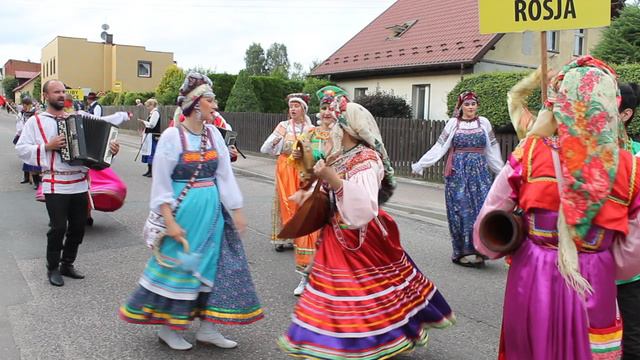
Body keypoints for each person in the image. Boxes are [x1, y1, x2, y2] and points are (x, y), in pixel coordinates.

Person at [474, 56, 640, 360]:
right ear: (611, 103)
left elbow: (487, 229)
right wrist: (600, 260)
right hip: (595, 277)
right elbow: (633, 254)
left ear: (560, 101)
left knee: (531, 346)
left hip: (534, 272)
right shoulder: (631, 168)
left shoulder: (529, 152)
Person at [279, 99, 455, 360]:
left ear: (348, 129)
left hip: (360, 237)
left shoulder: (367, 159)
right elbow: (330, 193)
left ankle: (367, 343)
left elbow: (362, 206)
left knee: (361, 292)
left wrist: (331, 178)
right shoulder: (339, 155)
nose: (333, 128)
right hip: (336, 235)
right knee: (336, 293)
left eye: (337, 124)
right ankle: (334, 344)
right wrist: (309, 194)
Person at [119, 72, 263, 351]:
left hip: (212, 215)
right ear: (196, 104)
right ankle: (168, 328)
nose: (216, 105)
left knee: (212, 267)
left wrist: (237, 209)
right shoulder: (173, 137)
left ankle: (207, 328)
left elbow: (225, 175)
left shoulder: (213, 135)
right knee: (179, 269)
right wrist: (170, 222)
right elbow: (161, 184)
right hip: (183, 214)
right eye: (211, 100)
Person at [15, 80, 120, 287]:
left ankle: (67, 264)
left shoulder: (78, 119)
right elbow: (21, 149)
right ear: (46, 96)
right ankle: (52, 268)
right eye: (57, 92)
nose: (62, 95)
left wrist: (111, 152)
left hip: (80, 183)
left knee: (78, 227)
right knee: (58, 228)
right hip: (55, 182)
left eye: (63, 91)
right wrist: (47, 146)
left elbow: (99, 154)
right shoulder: (35, 122)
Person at [411, 91, 503, 267]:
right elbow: (440, 147)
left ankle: (479, 251)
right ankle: (462, 253)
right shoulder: (453, 123)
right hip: (458, 172)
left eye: (473, 104)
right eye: (467, 104)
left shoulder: (484, 123)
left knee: (481, 210)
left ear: (477, 106)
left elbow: (492, 148)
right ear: (461, 107)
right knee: (461, 210)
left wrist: (503, 172)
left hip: (479, 173)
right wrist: (422, 164)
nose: (470, 107)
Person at [260, 93, 319, 295]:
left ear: (304, 109)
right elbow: (265, 148)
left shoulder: (311, 129)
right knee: (286, 202)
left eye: (296, 106)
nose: (292, 109)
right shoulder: (283, 126)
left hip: (303, 170)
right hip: (285, 168)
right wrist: (282, 146)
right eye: (290, 106)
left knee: (304, 207)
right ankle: (290, 237)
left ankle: (302, 240)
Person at [617, 82, 640, 359]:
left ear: (626, 114)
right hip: (591, 265)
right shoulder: (582, 153)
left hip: (630, 267)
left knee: (632, 336)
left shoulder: (636, 155)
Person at [14, 96, 41, 188]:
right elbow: (19, 126)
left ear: (29, 104)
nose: (24, 107)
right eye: (23, 105)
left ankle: (37, 182)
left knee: (34, 160)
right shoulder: (21, 113)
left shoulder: (35, 113)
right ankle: (26, 177)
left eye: (26, 105)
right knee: (25, 157)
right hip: (25, 136)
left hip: (34, 137)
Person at [139, 98, 161, 177]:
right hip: (149, 135)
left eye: (148, 106)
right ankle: (149, 170)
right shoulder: (152, 113)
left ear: (152, 105)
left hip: (153, 135)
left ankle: (152, 171)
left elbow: (152, 125)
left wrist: (143, 122)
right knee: (148, 152)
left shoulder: (155, 113)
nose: (147, 108)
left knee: (152, 152)